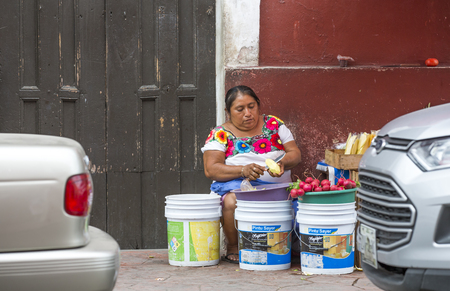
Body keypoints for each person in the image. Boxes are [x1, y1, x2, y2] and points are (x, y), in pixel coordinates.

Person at [201, 85, 301, 264]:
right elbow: (211, 169)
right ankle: (233, 246)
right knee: (231, 201)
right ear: (228, 112)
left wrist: (283, 163)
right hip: (241, 191)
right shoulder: (220, 134)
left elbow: (295, 153)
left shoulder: (274, 124)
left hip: (279, 191)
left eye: (251, 106)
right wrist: (242, 170)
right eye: (240, 109)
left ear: (258, 105)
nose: (248, 113)